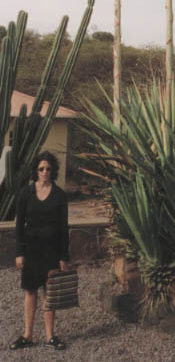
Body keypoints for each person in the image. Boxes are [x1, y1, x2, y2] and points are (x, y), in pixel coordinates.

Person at [9, 150, 69, 351]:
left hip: (51, 251)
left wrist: (63, 256)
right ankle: (27, 335)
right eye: (41, 168)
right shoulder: (26, 193)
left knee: (49, 292)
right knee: (30, 292)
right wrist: (19, 252)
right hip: (31, 249)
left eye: (48, 169)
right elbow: (19, 227)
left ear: (53, 171)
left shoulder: (59, 195)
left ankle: (50, 336)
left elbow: (63, 228)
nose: (45, 172)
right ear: (36, 170)